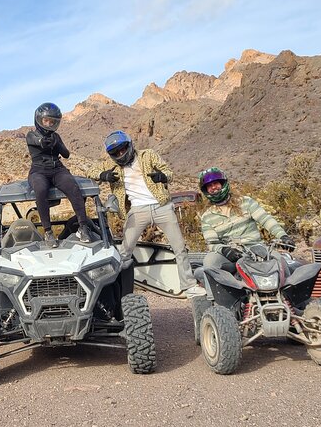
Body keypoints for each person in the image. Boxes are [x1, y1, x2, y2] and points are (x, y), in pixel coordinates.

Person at [89, 130, 201, 297]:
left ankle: (189, 285)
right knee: (124, 251)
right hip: (137, 209)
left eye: (122, 149)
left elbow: (169, 173)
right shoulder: (111, 165)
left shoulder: (148, 155)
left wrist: (162, 176)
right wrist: (103, 175)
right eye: (116, 153)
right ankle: (116, 290)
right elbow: (90, 172)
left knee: (179, 247)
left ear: (129, 145)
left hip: (161, 205)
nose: (120, 154)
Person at [198, 167, 296, 273]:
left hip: (257, 249)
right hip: (232, 254)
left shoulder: (246, 202)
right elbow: (212, 243)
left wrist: (282, 236)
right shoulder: (207, 217)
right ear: (206, 191)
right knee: (210, 262)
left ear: (223, 183)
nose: (213, 187)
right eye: (209, 186)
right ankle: (219, 290)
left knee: (281, 264)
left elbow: (266, 219)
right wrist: (225, 250)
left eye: (216, 183)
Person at [26, 102, 92, 247]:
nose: (49, 124)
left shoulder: (56, 136)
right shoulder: (31, 134)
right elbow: (38, 142)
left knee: (73, 188)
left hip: (57, 169)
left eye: (52, 121)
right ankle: (48, 232)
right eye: (46, 120)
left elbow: (66, 154)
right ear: (39, 119)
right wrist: (44, 141)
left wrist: (57, 143)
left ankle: (83, 227)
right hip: (38, 171)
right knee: (40, 189)